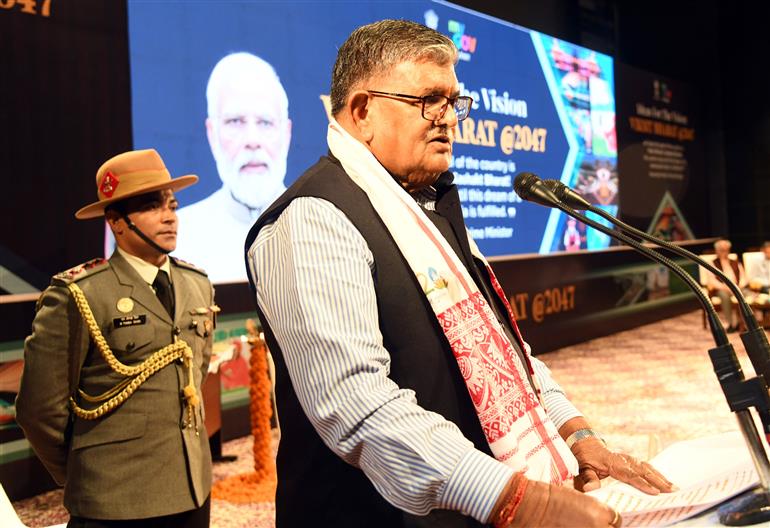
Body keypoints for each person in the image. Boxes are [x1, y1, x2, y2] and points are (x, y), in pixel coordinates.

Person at [245, 19, 673, 528]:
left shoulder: (427, 210)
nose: (448, 119)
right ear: (362, 112)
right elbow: (355, 404)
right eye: (429, 100)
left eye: (454, 102)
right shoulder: (313, 219)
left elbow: (509, 357)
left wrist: (576, 434)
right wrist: (525, 502)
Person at [16, 149, 215, 527]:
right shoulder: (80, 294)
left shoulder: (197, 284)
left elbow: (195, 375)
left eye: (172, 204)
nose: (169, 215)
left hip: (191, 487)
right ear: (116, 221)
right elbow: (39, 409)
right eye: (152, 206)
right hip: (114, 498)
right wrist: (84, 470)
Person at [175, 52, 292, 284]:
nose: (252, 140)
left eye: (265, 122)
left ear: (286, 134)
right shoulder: (180, 238)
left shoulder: (321, 223)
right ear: (212, 133)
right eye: (235, 122)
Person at [707, 238, 748, 332]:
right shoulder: (712, 263)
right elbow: (712, 281)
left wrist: (739, 286)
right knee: (724, 296)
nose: (724, 252)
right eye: (722, 250)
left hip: (737, 288)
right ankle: (730, 324)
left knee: (746, 294)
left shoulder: (735, 261)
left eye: (726, 250)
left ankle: (744, 323)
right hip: (722, 289)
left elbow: (743, 277)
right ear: (717, 251)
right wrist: (725, 287)